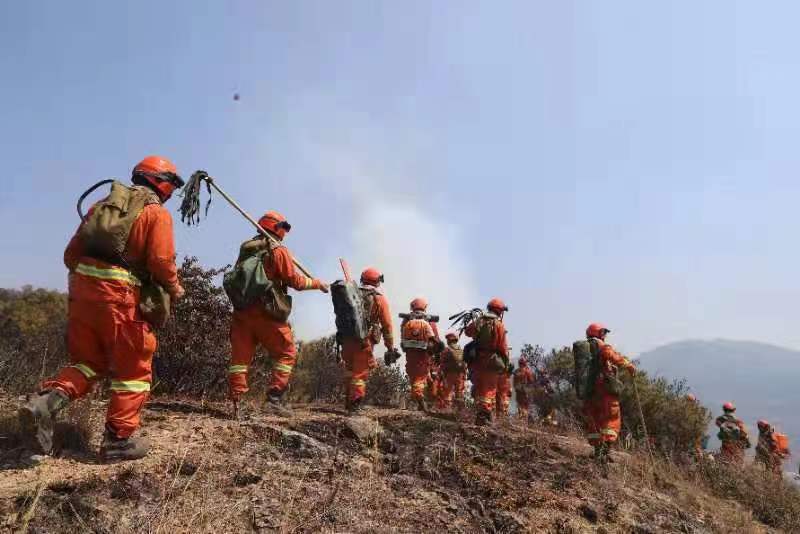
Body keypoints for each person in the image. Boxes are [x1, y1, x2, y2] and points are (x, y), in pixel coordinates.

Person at [19, 156, 186, 462]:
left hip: (82, 296)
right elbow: (161, 262)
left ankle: (44, 404)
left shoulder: (102, 207)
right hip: (120, 299)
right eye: (172, 185)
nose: (172, 193)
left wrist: (91, 280)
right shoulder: (156, 213)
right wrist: (174, 288)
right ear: (162, 183)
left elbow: (71, 255)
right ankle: (119, 441)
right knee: (134, 368)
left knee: (89, 362)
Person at [227, 211, 329, 416]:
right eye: (284, 227)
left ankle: (237, 403)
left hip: (242, 311)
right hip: (266, 312)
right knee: (287, 352)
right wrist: (318, 284)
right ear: (277, 227)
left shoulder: (247, 248)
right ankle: (274, 399)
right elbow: (296, 282)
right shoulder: (279, 251)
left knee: (240, 359)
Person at [341, 267, 395, 414]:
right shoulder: (379, 298)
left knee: (349, 370)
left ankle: (348, 401)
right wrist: (390, 347)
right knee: (360, 374)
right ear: (377, 282)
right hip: (364, 342)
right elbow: (387, 326)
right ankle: (355, 405)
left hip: (346, 339)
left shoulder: (349, 292)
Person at [582, 323, 636, 463]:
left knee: (595, 420)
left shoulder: (586, 349)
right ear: (599, 333)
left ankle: (597, 451)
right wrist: (628, 365)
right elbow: (613, 356)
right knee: (611, 419)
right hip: (604, 390)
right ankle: (604, 453)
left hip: (591, 391)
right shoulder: (601, 346)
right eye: (603, 332)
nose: (605, 335)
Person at [464, 298, 510, 425]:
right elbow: (502, 346)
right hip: (491, 360)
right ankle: (483, 416)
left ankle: (484, 415)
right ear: (499, 311)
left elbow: (468, 332)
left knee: (480, 387)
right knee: (489, 388)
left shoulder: (480, 320)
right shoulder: (499, 325)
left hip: (477, 359)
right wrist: (505, 362)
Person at [400, 298, 438, 412]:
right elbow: (435, 338)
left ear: (412, 306)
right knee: (421, 377)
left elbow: (402, 335)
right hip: (424, 354)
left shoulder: (406, 321)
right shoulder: (429, 321)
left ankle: (418, 400)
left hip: (410, 352)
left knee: (414, 375)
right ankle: (421, 400)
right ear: (425, 307)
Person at [437, 333, 467, 411]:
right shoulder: (461, 350)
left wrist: (441, 375)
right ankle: (461, 412)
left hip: (450, 374)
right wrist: (464, 375)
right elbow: (464, 363)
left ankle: (447, 410)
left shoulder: (446, 350)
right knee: (459, 393)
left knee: (448, 393)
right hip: (460, 374)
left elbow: (442, 363)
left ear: (449, 341)